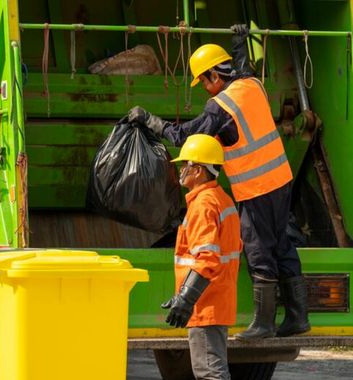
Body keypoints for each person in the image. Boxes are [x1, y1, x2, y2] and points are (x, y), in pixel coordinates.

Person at [129, 24, 310, 340]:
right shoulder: (252, 85)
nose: (205, 89)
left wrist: (149, 120)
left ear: (214, 75)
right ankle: (298, 317)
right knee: (281, 243)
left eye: (203, 82)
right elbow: (243, 67)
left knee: (257, 248)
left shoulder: (220, 106)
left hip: (256, 187)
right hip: (281, 180)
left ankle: (264, 324)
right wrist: (239, 42)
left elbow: (187, 136)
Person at [161, 133, 241, 379]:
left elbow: (207, 258)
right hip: (216, 301)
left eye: (186, 164)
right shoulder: (221, 200)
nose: (182, 170)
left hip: (206, 305)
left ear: (199, 170)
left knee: (210, 373)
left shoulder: (202, 205)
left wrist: (186, 299)